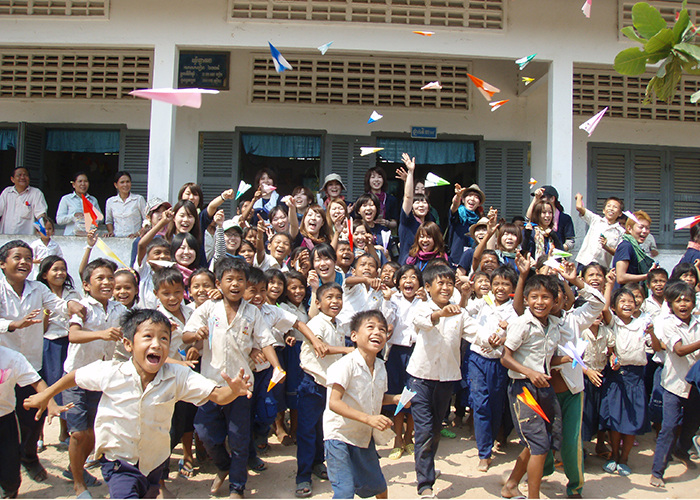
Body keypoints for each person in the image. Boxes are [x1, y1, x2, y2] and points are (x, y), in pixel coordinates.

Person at [24, 308, 252, 500]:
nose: (157, 344)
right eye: (148, 337)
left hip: (153, 461)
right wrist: (46, 395)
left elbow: (217, 396)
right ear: (127, 344)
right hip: (119, 462)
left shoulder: (177, 376)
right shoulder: (112, 372)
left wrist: (233, 391)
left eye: (164, 338)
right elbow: (75, 376)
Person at [181, 257, 283, 498]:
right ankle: (224, 466)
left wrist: (277, 367)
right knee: (205, 432)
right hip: (211, 385)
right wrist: (197, 334)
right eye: (229, 279)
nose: (235, 284)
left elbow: (266, 340)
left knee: (239, 438)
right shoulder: (208, 309)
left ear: (246, 283)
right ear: (219, 283)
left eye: (240, 279)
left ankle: (238, 486)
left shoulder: (253, 313)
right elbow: (185, 335)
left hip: (241, 387)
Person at [0, 240, 85, 484]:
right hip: (3, 368)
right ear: (2, 263)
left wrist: (71, 305)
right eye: (17, 257)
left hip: (31, 365)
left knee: (32, 419)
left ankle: (28, 456)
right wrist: (12, 325)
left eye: (28, 258)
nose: (24, 262)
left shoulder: (37, 288)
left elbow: (57, 305)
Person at [407, 264, 477, 497]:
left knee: (436, 429)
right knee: (425, 429)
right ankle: (425, 483)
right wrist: (438, 314)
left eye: (450, 283)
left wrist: (496, 337)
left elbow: (477, 334)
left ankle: (427, 466)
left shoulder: (460, 312)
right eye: (441, 283)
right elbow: (422, 323)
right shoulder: (420, 307)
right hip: (420, 378)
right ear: (427, 287)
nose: (446, 288)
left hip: (447, 379)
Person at [63, 258, 127, 497]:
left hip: (101, 378)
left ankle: (75, 468)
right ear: (86, 285)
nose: (107, 282)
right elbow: (73, 335)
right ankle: (79, 485)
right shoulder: (82, 306)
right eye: (100, 278)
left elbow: (132, 327)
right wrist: (102, 334)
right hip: (76, 377)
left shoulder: (119, 309)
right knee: (79, 432)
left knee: (92, 430)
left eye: (110, 277)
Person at [324, 310, 404, 499]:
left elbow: (376, 396)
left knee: (379, 486)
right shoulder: (345, 365)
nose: (377, 332)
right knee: (344, 492)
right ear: (354, 336)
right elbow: (334, 403)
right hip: (339, 436)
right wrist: (369, 418)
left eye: (382, 329)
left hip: (363, 436)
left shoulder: (381, 366)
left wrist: (394, 399)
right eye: (370, 327)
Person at [500, 274, 567, 500]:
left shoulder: (554, 325)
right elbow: (505, 357)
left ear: (555, 300)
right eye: (535, 297)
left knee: (541, 441)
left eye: (546, 297)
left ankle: (510, 485)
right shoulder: (521, 324)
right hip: (523, 390)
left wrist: (566, 360)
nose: (540, 302)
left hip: (544, 388)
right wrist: (529, 372)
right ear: (526, 299)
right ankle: (533, 497)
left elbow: (546, 360)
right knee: (538, 443)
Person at [295, 281, 350, 498]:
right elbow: (322, 349)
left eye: (338, 297)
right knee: (307, 430)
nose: (335, 301)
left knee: (321, 428)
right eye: (329, 297)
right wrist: (349, 350)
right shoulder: (316, 323)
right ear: (317, 303)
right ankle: (303, 477)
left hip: (328, 384)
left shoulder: (339, 324)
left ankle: (318, 463)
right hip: (312, 382)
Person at [466, 265, 519, 473]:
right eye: (496, 283)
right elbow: (463, 311)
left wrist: (504, 337)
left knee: (496, 404)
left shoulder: (515, 310)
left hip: (499, 363)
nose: (500, 288)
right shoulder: (482, 302)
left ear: (512, 287)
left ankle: (499, 435)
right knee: (480, 403)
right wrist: (464, 294)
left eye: (505, 284)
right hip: (477, 358)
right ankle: (484, 453)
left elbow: (516, 335)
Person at [650, 281, 700, 487]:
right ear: (670, 304)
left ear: (693, 303)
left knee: (692, 425)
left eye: (687, 300)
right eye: (678, 301)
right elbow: (679, 350)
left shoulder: (698, 322)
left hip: (695, 386)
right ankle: (657, 472)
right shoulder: (669, 324)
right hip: (674, 385)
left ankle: (681, 450)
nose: (683, 304)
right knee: (669, 427)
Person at [599, 287, 651, 476]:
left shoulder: (643, 323)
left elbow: (655, 344)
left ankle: (624, 458)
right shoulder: (613, 324)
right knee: (615, 418)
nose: (628, 304)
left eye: (631, 301)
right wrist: (609, 284)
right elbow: (604, 309)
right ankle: (613, 455)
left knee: (631, 419)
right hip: (616, 375)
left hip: (636, 376)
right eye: (622, 301)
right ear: (614, 307)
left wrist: (652, 332)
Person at [1, 346, 63, 499]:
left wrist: (51, 404)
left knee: (10, 477)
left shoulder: (12, 358)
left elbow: (36, 381)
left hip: (4, 420)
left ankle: (10, 491)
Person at [37, 255, 81, 449]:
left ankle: (64, 431)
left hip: (68, 342)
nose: (60, 273)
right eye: (55, 269)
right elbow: (40, 328)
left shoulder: (72, 294)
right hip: (48, 343)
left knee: (65, 386)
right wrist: (46, 315)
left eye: (62, 269)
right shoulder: (39, 294)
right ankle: (39, 435)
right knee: (47, 385)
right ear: (45, 274)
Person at [382, 264, 422, 460]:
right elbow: (387, 320)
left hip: (418, 353)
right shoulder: (393, 299)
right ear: (397, 282)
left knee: (414, 397)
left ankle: (409, 438)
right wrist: (388, 300)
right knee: (398, 397)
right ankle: (397, 439)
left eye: (414, 277)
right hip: (397, 353)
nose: (409, 281)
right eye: (404, 277)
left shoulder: (425, 301)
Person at [574, 193, 625, 271]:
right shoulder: (596, 220)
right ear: (604, 210)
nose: (611, 209)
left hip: (601, 267)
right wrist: (579, 197)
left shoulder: (621, 232)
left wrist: (606, 247)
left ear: (620, 213)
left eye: (615, 207)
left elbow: (618, 252)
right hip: (585, 262)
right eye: (609, 206)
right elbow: (579, 207)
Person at [397, 153, 432, 265]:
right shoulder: (407, 221)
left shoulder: (430, 224)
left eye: (424, 202)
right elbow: (408, 197)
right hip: (407, 268)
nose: (421, 205)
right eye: (416, 202)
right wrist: (411, 172)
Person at [613, 210, 657, 290]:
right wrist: (647, 276)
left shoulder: (636, 248)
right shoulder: (626, 246)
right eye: (641, 227)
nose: (644, 231)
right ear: (629, 228)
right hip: (622, 296)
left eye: (647, 228)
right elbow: (620, 277)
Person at [0, 166, 48, 235]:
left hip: (27, 238)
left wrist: (43, 227)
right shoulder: (7, 192)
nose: (22, 178)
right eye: (19, 175)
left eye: (25, 175)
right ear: (12, 179)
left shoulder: (36, 193)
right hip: (6, 236)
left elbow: (41, 214)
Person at [527, 186, 575, 252]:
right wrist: (535, 198)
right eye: (544, 212)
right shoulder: (533, 229)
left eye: (542, 197)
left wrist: (558, 248)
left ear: (552, 199)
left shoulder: (565, 218)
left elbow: (570, 241)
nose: (539, 200)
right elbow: (527, 219)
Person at [56, 172, 103, 236]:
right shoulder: (66, 199)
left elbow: (101, 220)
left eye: (85, 181)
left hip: (89, 237)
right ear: (74, 184)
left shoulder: (92, 200)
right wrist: (73, 216)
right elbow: (59, 220)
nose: (83, 184)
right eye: (80, 181)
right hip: (71, 237)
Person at [448, 183, 485, 265]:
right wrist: (458, 196)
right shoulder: (458, 214)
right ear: (463, 199)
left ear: (479, 203)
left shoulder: (479, 221)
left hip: (473, 260)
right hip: (455, 260)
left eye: (476, 197)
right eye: (469, 195)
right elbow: (454, 206)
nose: (472, 199)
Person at [104, 171, 147, 238]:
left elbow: (147, 220)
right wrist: (111, 232)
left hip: (135, 239)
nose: (125, 185)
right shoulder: (111, 201)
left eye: (128, 182)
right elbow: (109, 221)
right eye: (122, 182)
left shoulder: (138, 199)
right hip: (117, 239)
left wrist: (138, 233)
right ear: (116, 185)